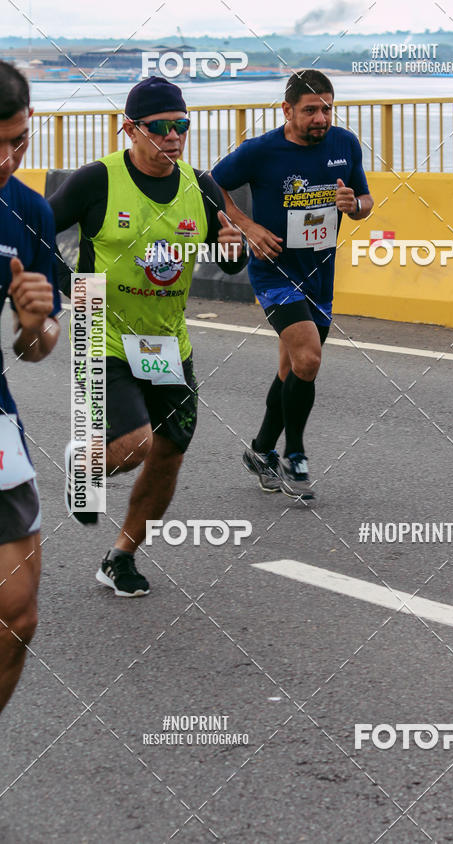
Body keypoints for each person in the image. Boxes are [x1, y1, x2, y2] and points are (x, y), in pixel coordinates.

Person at [50, 76, 246, 597]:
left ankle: (120, 556)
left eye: (182, 125)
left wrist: (233, 247)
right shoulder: (97, 180)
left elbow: (230, 263)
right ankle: (85, 462)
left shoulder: (198, 186)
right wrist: (67, 283)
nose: (174, 136)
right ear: (130, 130)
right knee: (134, 444)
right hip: (104, 332)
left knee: (169, 451)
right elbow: (36, 226)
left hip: (163, 342)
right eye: (160, 127)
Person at [211, 69, 373, 501]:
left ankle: (261, 450)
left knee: (291, 370)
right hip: (276, 270)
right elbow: (211, 185)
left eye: (326, 108)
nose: (321, 118)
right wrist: (247, 227)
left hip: (320, 272)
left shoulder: (345, 144)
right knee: (308, 358)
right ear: (287, 110)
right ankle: (294, 453)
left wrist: (353, 204)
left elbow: (366, 203)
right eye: (310, 110)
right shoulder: (261, 151)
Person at [0, 62, 61, 712]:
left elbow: (36, 350)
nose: (5, 158)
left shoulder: (29, 211)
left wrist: (34, 323)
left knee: (17, 615)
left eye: (17, 140)